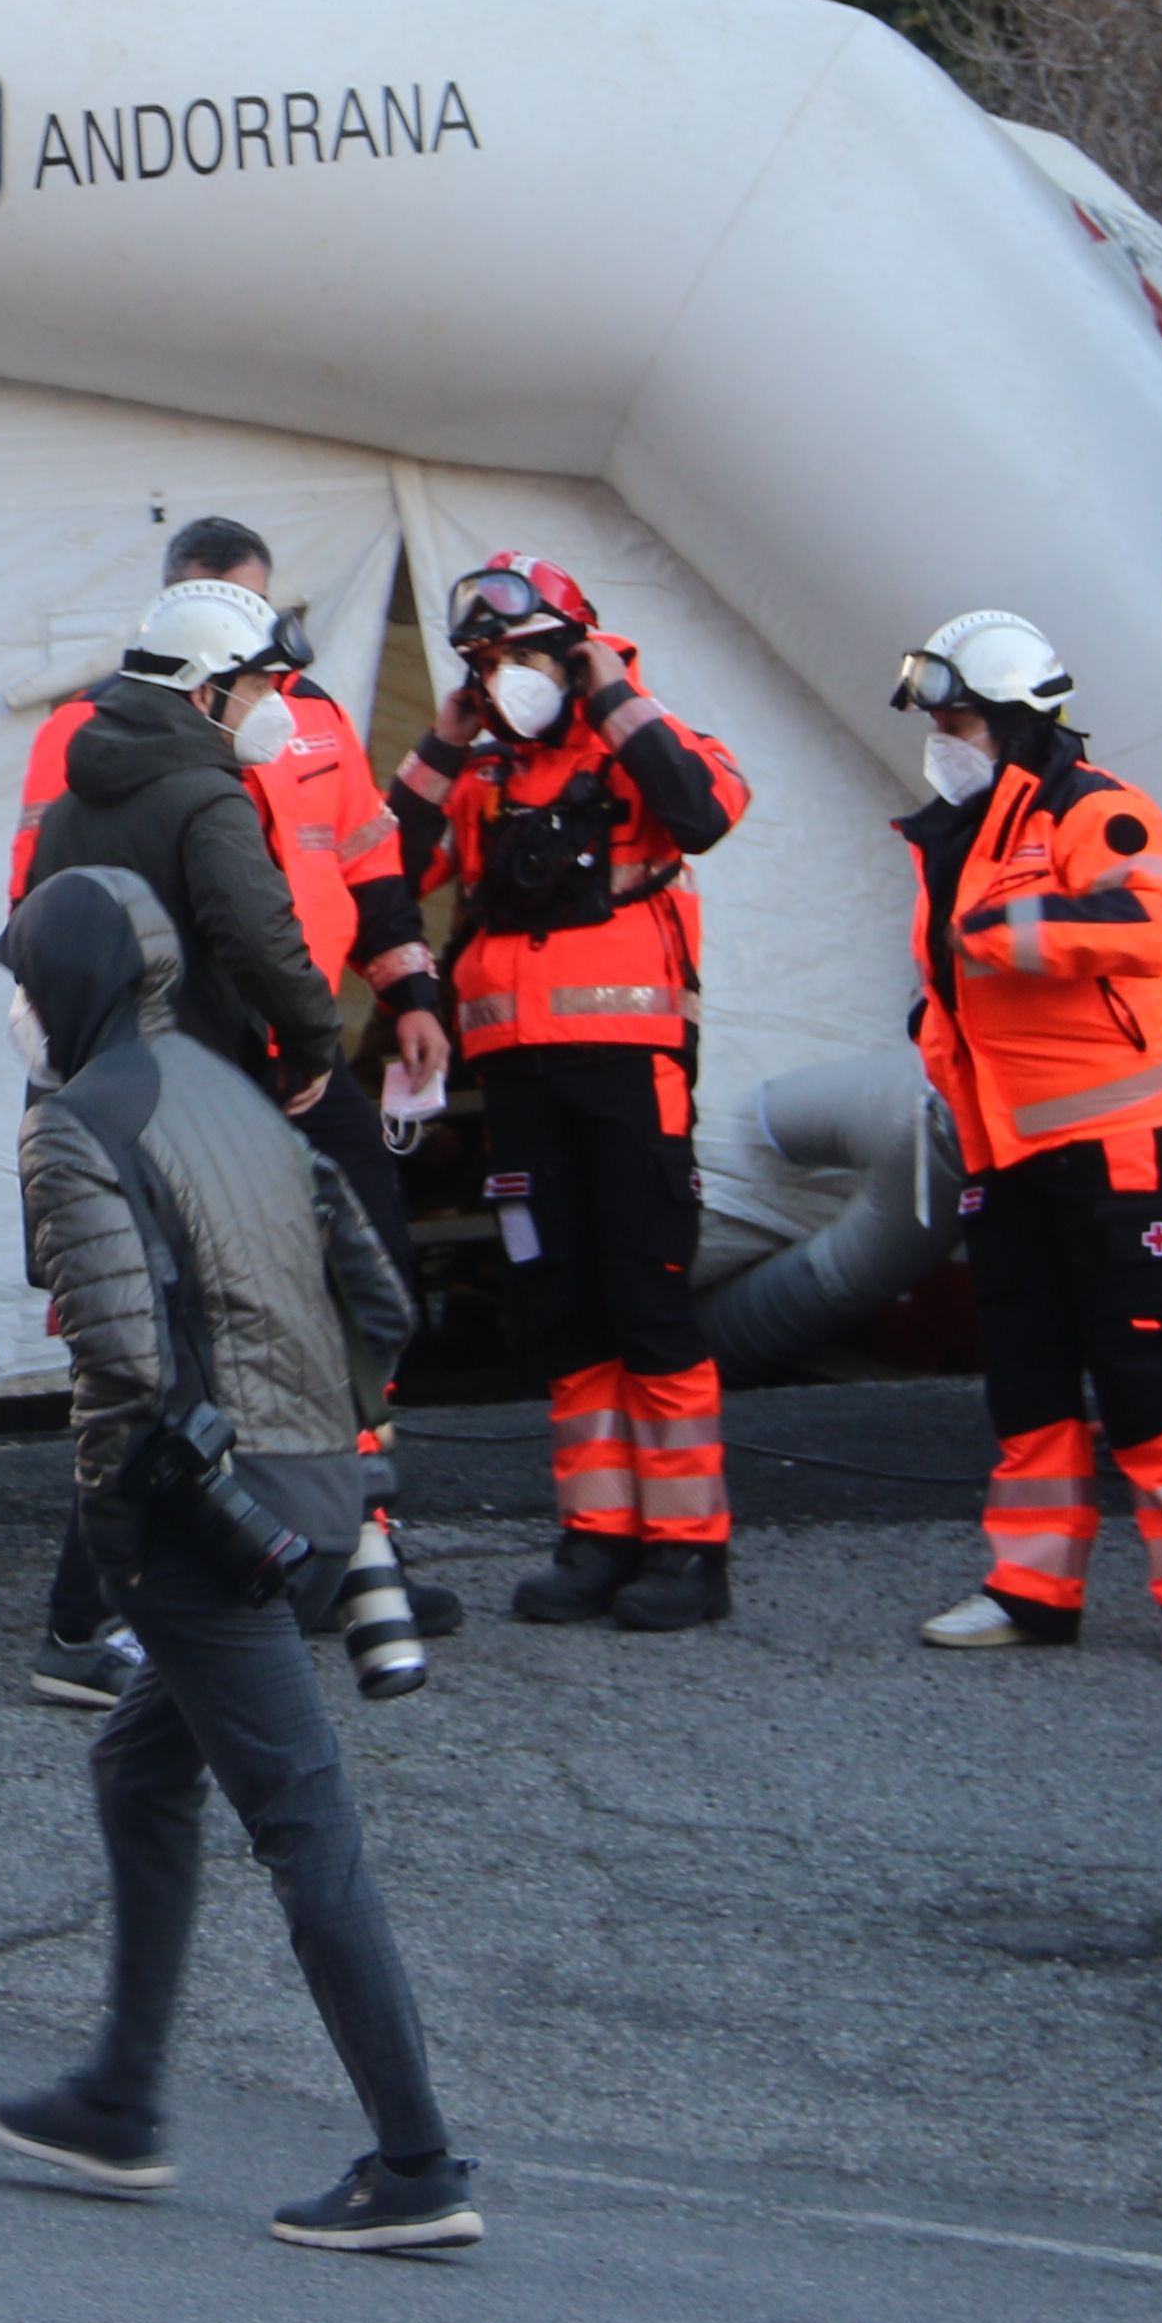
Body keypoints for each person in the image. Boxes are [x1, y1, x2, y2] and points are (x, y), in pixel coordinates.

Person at [0, 865, 480, 2257]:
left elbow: (122, 1355)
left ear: (67, 986)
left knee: (306, 1829)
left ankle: (418, 2164)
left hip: (206, 1529)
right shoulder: (225, 1087)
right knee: (140, 1769)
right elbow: (376, 1287)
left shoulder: (77, 1121)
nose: (16, 1011)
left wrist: (146, 1510)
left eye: (23, 985)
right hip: (312, 1491)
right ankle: (121, 2101)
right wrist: (345, 1442)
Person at [12, 518, 457, 1695]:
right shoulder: (205, 792)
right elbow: (258, 936)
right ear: (211, 686)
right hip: (206, 1100)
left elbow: (33, 941)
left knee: (166, 1360)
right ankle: (96, 1621)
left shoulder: (84, 781)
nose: (278, 700)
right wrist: (310, 1046)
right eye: (259, 681)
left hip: (110, 1104)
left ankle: (243, 1577)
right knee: (191, 1361)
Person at [392, 553, 752, 1631]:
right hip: (518, 1077)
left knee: (647, 1298)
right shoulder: (484, 772)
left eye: (522, 655)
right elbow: (381, 872)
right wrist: (446, 736)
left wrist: (608, 687)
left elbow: (705, 813)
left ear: (573, 648)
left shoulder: (644, 740)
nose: (507, 677)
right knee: (559, 1310)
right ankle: (596, 1536)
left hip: (630, 1071)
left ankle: (689, 1552)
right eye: (487, 661)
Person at [887, 613, 1162, 1668]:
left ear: (1010, 719)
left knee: (1140, 1366)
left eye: (957, 719)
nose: (942, 737)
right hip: (1005, 1145)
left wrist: (1016, 934)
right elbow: (957, 981)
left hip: (1117, 1140)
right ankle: (1031, 1587)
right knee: (1029, 1371)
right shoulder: (957, 830)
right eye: (937, 719)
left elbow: (1157, 923)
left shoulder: (1097, 810)